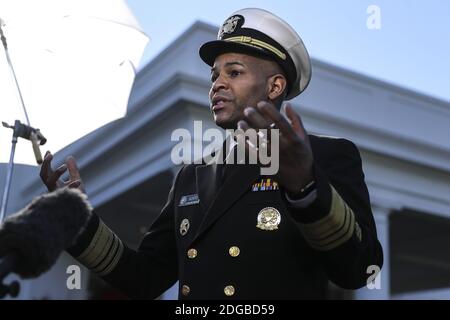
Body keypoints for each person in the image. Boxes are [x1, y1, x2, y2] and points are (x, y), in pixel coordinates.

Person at [40, 8, 383, 299]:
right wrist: (77, 221)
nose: (217, 84)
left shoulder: (325, 155)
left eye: (234, 72)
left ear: (275, 86)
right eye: (214, 75)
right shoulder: (192, 173)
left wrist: (306, 189)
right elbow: (144, 278)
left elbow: (359, 270)